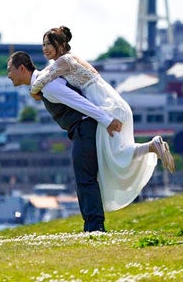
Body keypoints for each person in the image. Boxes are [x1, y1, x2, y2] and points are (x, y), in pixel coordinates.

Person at [30, 26, 175, 213]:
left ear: (62, 45)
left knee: (113, 158)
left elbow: (42, 79)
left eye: (49, 44)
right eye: (43, 44)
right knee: (115, 154)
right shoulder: (69, 60)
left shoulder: (64, 60)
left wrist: (33, 91)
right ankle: (152, 147)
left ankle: (152, 146)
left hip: (107, 106)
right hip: (112, 103)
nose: (45, 48)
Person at [8, 51, 120, 232]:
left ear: (21, 68)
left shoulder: (48, 86)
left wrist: (106, 120)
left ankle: (94, 227)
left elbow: (78, 102)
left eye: (9, 70)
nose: (8, 75)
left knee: (85, 179)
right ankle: (92, 225)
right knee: (84, 178)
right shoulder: (41, 84)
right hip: (81, 130)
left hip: (84, 128)